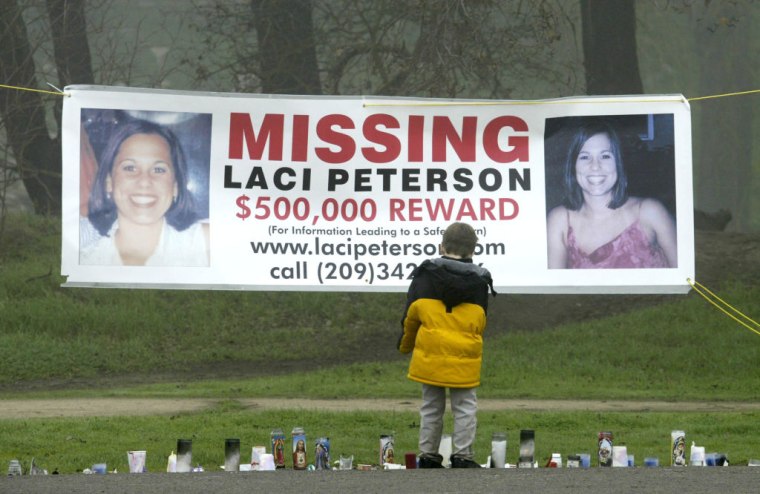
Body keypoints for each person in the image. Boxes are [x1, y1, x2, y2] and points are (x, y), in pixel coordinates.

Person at [398, 222, 495, 469]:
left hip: (430, 357)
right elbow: (480, 321)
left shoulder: (423, 276)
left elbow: (411, 318)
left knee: (431, 407)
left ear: (441, 246)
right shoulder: (480, 280)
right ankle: (463, 456)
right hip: (464, 358)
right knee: (465, 408)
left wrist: (405, 346)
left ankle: (428, 455)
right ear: (473, 250)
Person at [546, 120, 677, 269]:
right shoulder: (559, 220)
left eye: (605, 156)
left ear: (619, 163)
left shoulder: (650, 212)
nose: (595, 166)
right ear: (573, 166)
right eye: (584, 157)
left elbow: (686, 280)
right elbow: (556, 288)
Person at [80, 118, 210, 266]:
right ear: (109, 182)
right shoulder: (83, 255)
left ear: (175, 186)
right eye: (130, 168)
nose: (144, 181)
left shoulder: (206, 245)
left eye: (158, 169)